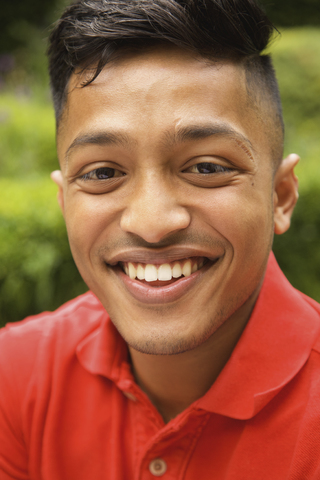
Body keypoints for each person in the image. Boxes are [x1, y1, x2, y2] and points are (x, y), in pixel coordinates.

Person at [1, 0, 320, 478]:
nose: (152, 223)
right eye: (104, 172)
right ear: (66, 203)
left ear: (280, 196)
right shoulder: (16, 377)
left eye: (207, 168)